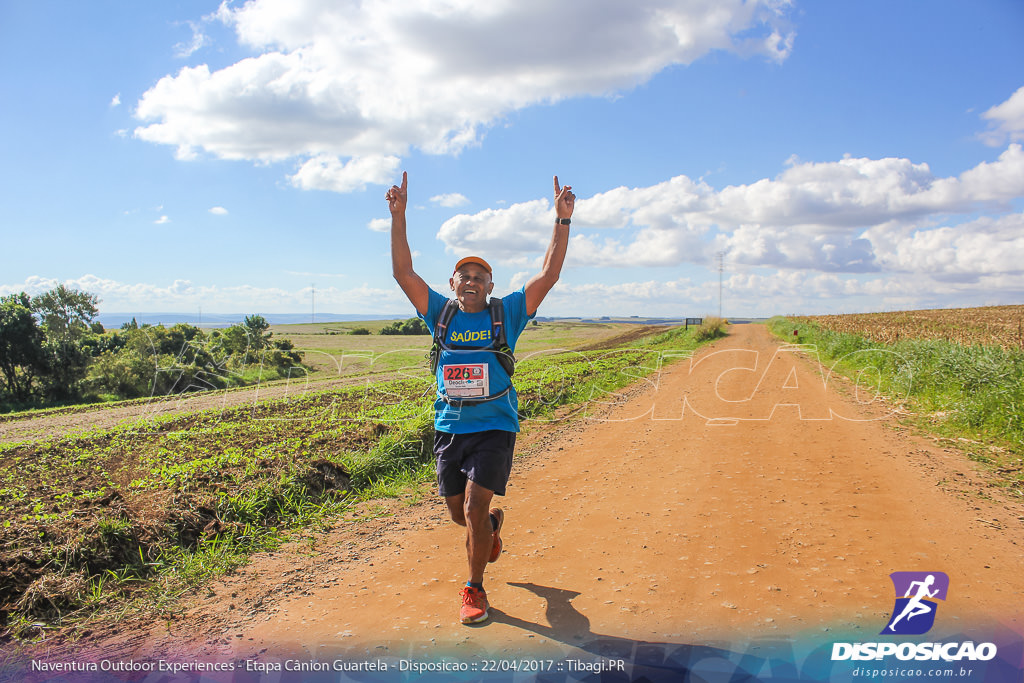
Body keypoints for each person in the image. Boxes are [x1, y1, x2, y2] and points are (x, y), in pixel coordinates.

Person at [387, 171, 574, 624]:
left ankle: (474, 590)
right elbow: (403, 272)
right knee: (461, 516)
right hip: (451, 427)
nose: (471, 281)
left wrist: (562, 220)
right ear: (452, 283)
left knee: (473, 506)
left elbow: (548, 274)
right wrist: (399, 216)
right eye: (464, 275)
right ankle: (489, 531)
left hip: (495, 427)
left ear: (490, 286)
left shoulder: (507, 312)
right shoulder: (440, 313)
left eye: (480, 276)